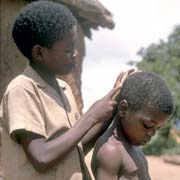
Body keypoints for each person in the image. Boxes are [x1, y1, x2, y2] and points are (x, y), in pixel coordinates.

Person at [0, 1, 134, 180]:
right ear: (39, 53)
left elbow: (74, 149)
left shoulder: (64, 90)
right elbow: (41, 157)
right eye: (69, 49)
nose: (76, 54)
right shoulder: (23, 89)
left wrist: (111, 108)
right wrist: (91, 116)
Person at [91, 71, 174, 180]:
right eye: (147, 125)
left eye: (158, 128)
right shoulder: (111, 151)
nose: (152, 133)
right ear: (123, 109)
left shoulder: (134, 147)